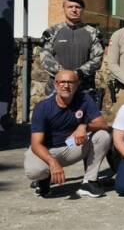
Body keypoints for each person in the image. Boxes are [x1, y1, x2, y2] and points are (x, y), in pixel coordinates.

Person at [24, 70, 111, 198]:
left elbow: (103, 124)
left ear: (77, 85)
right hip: (47, 149)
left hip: (69, 145)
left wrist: (84, 126)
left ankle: (89, 181)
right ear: (55, 85)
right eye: (62, 82)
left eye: (70, 82)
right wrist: (53, 162)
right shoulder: (43, 107)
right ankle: (44, 179)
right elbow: (36, 144)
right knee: (35, 171)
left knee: (103, 136)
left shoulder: (84, 99)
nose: (66, 85)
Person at [38, 0, 104, 95]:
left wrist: (77, 74)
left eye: (78, 7)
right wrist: (65, 75)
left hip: (84, 90)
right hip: (56, 90)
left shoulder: (94, 33)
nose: (74, 10)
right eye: (70, 7)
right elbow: (45, 58)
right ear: (64, 8)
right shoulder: (51, 32)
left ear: (83, 10)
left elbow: (97, 58)